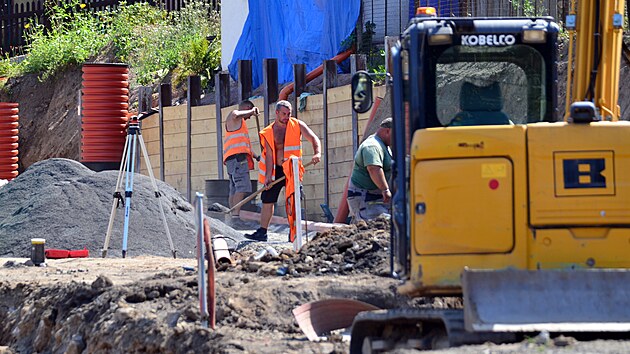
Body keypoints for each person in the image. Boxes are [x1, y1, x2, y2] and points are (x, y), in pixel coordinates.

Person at [245, 100, 321, 242]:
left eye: (289, 113)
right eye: (284, 114)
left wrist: (317, 153)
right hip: (276, 170)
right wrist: (268, 176)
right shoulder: (269, 132)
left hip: (292, 169)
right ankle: (262, 232)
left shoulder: (297, 125)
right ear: (277, 113)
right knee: (267, 200)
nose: (287, 116)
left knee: (293, 200)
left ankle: (294, 232)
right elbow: (268, 155)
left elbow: (314, 138)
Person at [347, 117, 393, 221]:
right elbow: (373, 168)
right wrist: (385, 190)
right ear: (388, 131)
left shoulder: (384, 146)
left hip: (374, 197)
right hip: (365, 198)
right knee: (382, 225)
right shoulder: (372, 146)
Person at [223, 100, 259, 228]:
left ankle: (232, 217)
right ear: (247, 108)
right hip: (238, 160)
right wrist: (252, 112)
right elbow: (236, 114)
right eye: (248, 114)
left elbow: (246, 148)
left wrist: (257, 157)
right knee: (242, 187)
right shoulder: (234, 115)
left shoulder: (239, 125)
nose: (248, 118)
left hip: (233, 160)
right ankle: (235, 218)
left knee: (234, 189)